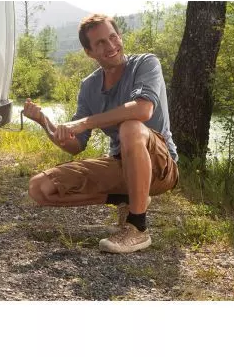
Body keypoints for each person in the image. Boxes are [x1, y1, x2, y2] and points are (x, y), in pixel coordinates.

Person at [24, 13, 179, 254]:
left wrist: (85, 122)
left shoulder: (146, 63)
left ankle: (138, 227)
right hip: (120, 165)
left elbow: (143, 109)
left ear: (120, 37)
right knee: (40, 188)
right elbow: (75, 145)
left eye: (113, 37)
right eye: (100, 43)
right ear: (89, 52)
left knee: (130, 126)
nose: (110, 46)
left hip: (161, 167)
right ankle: (126, 198)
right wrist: (44, 122)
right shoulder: (89, 86)